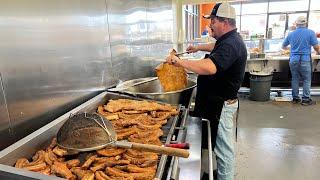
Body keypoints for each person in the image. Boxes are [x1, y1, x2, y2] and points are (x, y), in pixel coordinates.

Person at [166, 3, 247, 180]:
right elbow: (215, 48)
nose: (210, 25)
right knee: (215, 145)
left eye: (213, 21)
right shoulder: (228, 40)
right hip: (215, 102)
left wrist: (179, 63)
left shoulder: (232, 44)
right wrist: (197, 48)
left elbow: (210, 67)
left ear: (225, 22)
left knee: (224, 153)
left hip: (222, 107)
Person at [282, 16, 320, 105]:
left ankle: (295, 98)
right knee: (307, 79)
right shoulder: (310, 32)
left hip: (293, 59)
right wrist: (318, 52)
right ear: (305, 23)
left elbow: (283, 46)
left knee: (295, 78)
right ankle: (306, 99)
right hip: (305, 59)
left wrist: (292, 50)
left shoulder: (291, 34)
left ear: (296, 24)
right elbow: (316, 47)